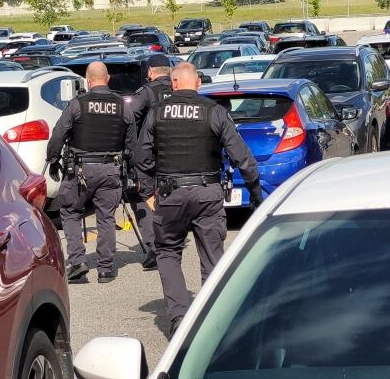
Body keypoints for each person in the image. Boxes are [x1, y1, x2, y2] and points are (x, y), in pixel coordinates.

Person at [134, 62, 263, 337]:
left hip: (170, 193)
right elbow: (242, 156)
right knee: (212, 255)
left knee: (167, 252)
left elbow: (141, 157)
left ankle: (179, 318)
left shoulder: (157, 112)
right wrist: (255, 193)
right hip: (207, 193)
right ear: (199, 84)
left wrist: (146, 192)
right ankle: (212, 319)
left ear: (174, 84)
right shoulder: (214, 112)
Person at [46, 61, 137, 283]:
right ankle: (105, 269)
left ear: (88, 80)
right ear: (107, 79)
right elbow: (132, 142)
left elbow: (58, 134)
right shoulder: (122, 105)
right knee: (106, 217)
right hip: (111, 169)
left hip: (80, 171)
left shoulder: (77, 104)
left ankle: (77, 261)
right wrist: (131, 169)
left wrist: (53, 160)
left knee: (71, 211)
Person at [127, 54, 174, 270]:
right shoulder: (178, 89)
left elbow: (129, 116)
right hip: (174, 155)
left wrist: (132, 145)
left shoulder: (147, 92)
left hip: (149, 154)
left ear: (150, 72)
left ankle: (154, 244)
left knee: (141, 196)